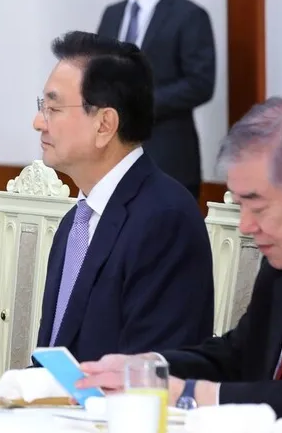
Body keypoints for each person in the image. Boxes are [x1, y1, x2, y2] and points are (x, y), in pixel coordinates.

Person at [76, 97, 282, 419]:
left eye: (259, 206)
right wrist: (149, 367)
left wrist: (194, 394)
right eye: (240, 207)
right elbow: (238, 354)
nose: (246, 226)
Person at [33, 31, 213, 362]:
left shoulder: (164, 219)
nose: (37, 123)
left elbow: (148, 373)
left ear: (105, 125)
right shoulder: (76, 220)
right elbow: (53, 358)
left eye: (53, 109)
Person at [97, 0, 216, 199]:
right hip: (110, 158)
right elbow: (97, 71)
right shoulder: (112, 13)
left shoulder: (189, 15)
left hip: (167, 156)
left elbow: (200, 83)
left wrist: (137, 103)